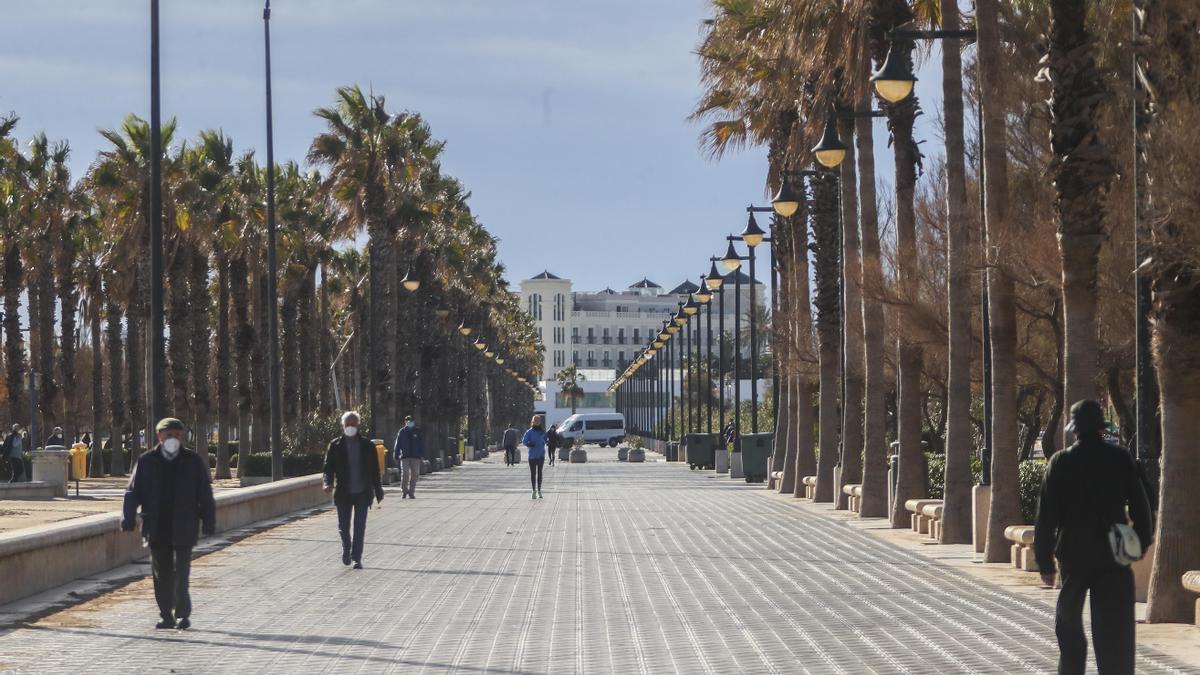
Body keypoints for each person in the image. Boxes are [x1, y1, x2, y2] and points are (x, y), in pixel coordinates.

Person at [1034, 399, 1154, 675]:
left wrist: (1045, 564)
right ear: (1101, 428)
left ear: (1075, 431)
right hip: (1113, 555)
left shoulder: (1060, 462)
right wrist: (1141, 541)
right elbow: (1142, 505)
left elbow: (1046, 518)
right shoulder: (1120, 458)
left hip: (1074, 556)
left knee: (1069, 625)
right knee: (1115, 631)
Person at [120, 418, 216, 630]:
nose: (172, 438)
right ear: (158, 436)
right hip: (156, 526)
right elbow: (132, 492)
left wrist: (209, 521)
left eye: (176, 434)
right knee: (161, 574)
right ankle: (166, 615)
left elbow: (205, 494)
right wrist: (128, 518)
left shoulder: (192, 461)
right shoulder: (146, 461)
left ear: (182, 436)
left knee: (181, 573)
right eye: (168, 434)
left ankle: (182, 614)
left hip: (184, 525)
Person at [323, 411, 384, 569]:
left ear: (358, 425)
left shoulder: (367, 446)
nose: (350, 427)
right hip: (343, 493)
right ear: (342, 426)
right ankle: (346, 549)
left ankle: (357, 557)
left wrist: (378, 491)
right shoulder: (335, 445)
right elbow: (328, 468)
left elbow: (374, 470)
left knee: (359, 526)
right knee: (343, 526)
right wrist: (327, 483)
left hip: (363, 493)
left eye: (353, 424)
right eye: (347, 425)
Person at [393, 415, 425, 499]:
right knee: (405, 475)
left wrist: (422, 455)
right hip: (405, 457)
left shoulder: (418, 431)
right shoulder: (402, 432)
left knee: (415, 474)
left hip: (415, 457)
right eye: (408, 421)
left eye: (411, 421)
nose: (410, 422)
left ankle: (411, 492)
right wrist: (396, 455)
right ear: (405, 422)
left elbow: (422, 444)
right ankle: (404, 491)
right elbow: (398, 444)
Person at [522, 415, 547, 500]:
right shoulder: (529, 432)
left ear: (540, 422)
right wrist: (529, 444)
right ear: (532, 422)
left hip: (541, 455)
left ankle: (539, 490)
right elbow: (524, 441)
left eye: (538, 420)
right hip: (532, 456)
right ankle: (533, 491)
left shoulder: (543, 431)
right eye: (535, 420)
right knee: (533, 473)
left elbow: (546, 439)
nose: (536, 422)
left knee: (540, 473)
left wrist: (546, 441)